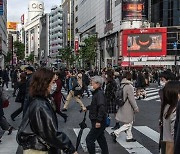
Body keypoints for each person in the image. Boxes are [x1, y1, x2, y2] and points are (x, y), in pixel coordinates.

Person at [17, 68, 77, 154]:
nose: (54, 85)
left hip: (36, 146)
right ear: (45, 84)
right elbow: (51, 132)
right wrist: (70, 148)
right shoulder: (40, 105)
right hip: (38, 149)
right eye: (52, 82)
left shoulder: (39, 100)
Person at [111, 71, 139, 142]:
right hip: (128, 107)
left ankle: (129, 137)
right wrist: (135, 107)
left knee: (129, 122)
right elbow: (132, 99)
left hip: (122, 105)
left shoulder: (122, 85)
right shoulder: (129, 86)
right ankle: (116, 133)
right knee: (129, 122)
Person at [85, 76, 109, 154]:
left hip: (98, 121)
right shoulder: (97, 93)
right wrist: (87, 107)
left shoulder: (99, 94)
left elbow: (101, 107)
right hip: (98, 120)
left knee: (89, 139)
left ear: (98, 84)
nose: (91, 85)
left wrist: (98, 121)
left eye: (92, 83)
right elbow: (95, 105)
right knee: (100, 138)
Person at [159, 81, 180, 153]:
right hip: (173, 145)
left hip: (165, 143)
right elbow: (174, 131)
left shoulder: (166, 107)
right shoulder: (175, 110)